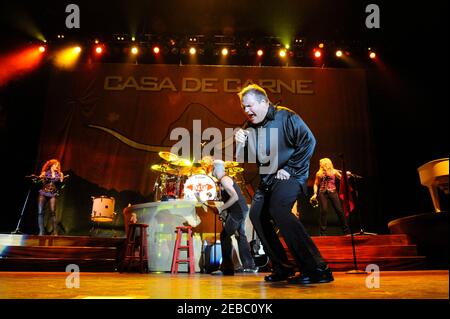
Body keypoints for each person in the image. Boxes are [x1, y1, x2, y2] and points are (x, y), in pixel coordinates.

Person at [234, 84, 333, 284]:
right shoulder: (250, 126)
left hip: (292, 174)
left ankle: (317, 268)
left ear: (264, 101)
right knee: (257, 215)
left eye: (249, 106)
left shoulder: (287, 117)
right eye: (243, 107)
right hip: (268, 179)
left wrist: (290, 168)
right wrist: (241, 143)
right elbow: (246, 157)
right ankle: (283, 267)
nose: (246, 111)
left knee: (278, 209)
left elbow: (309, 141)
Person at [210, 159, 257, 275]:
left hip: (238, 212)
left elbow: (235, 197)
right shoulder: (223, 181)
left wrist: (221, 208)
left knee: (225, 235)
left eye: (211, 168)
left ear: (215, 168)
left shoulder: (225, 180)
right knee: (241, 236)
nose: (210, 170)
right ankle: (249, 266)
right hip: (240, 210)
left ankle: (227, 267)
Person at [311, 158, 350, 236]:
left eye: (321, 163)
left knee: (339, 210)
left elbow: (342, 179)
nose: (320, 165)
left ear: (326, 163)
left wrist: (347, 175)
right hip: (322, 193)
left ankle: (346, 231)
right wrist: (315, 193)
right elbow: (315, 184)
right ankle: (323, 233)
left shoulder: (333, 171)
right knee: (324, 211)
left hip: (332, 192)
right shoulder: (318, 173)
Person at [36, 159, 64, 235]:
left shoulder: (59, 174)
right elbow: (39, 181)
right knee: (40, 212)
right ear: (51, 165)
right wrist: (41, 177)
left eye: (58, 166)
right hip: (43, 193)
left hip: (52, 194)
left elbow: (62, 185)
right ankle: (41, 231)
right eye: (55, 165)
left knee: (53, 212)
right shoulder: (45, 173)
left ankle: (55, 232)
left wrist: (62, 179)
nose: (57, 167)